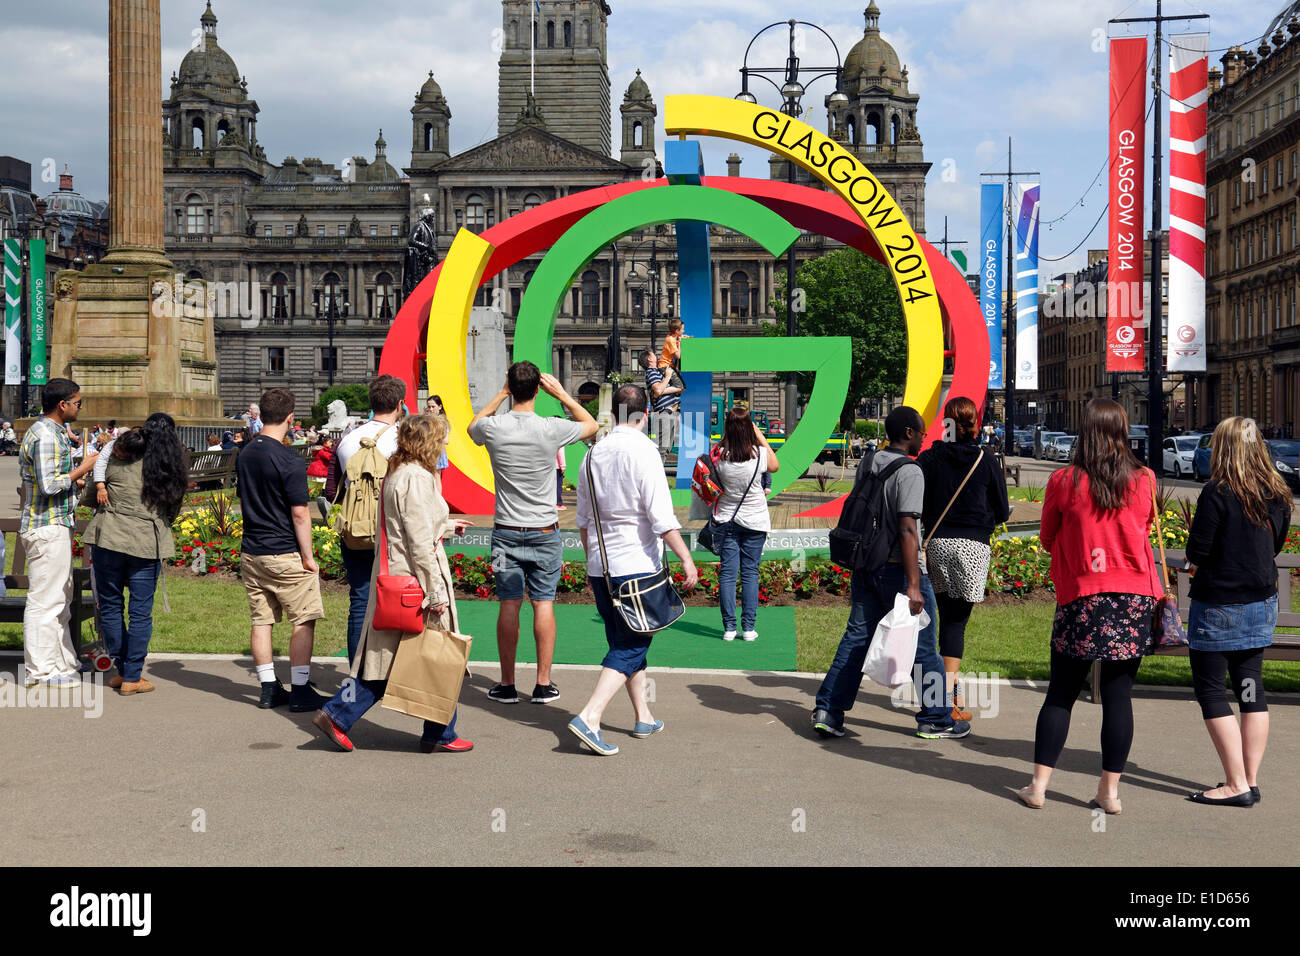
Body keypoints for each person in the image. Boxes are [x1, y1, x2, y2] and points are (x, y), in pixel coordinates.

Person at [1016, 398, 1164, 813]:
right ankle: (1109, 793)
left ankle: (1039, 787)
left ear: (1085, 432)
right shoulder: (1145, 479)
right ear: (1122, 431)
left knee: (1061, 692)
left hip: (1082, 595)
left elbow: (1047, 536)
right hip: (1133, 597)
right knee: (1119, 695)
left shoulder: (1065, 480)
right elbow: (1144, 527)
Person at [313, 413, 474, 754]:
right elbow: (416, 541)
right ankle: (341, 715)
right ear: (427, 442)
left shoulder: (399, 472)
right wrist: (434, 592)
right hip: (414, 584)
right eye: (442, 437)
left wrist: (446, 526)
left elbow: (406, 527)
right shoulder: (416, 477)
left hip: (399, 580)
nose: (446, 443)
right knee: (430, 657)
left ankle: (438, 731)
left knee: (399, 659)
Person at [811, 406, 967, 740]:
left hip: (866, 565)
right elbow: (908, 529)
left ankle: (828, 710)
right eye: (922, 432)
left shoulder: (869, 461)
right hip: (900, 571)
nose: (925, 438)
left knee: (856, 639)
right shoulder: (910, 471)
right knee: (923, 648)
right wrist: (914, 585)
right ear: (909, 433)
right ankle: (937, 718)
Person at [569, 385, 698, 755]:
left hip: (601, 566)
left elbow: (582, 519)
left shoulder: (591, 454)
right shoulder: (644, 451)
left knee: (625, 642)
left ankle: (643, 715)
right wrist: (686, 557)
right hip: (637, 566)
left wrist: (593, 553)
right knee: (632, 643)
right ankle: (590, 717)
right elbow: (661, 517)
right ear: (644, 417)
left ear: (613, 415)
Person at [468, 361, 598, 704]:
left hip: (505, 532)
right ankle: (542, 683)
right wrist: (563, 394)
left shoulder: (494, 427)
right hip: (544, 530)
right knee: (543, 604)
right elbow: (591, 425)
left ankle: (507, 683)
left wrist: (500, 393)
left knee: (508, 605)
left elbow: (472, 427)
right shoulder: (551, 427)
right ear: (539, 390)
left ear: (511, 387)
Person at [1183, 417, 1290, 807]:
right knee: (1250, 689)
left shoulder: (1218, 493)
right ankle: (1250, 778)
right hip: (1261, 604)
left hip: (1219, 607)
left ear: (1223, 448)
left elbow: (1198, 551)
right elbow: (1276, 545)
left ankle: (1235, 783)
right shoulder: (1277, 492)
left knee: (1212, 691)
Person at [918, 396, 1011, 721]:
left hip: (936, 544)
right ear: (975, 424)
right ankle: (948, 700)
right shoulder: (985, 460)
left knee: (937, 622)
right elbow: (1001, 511)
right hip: (972, 547)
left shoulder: (930, 459)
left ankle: (940, 695)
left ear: (946, 424)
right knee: (956, 624)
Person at [236, 388, 329, 712]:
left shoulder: (246, 452)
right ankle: (301, 688)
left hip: (252, 550)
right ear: (291, 418)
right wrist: (308, 557)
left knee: (262, 620)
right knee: (303, 619)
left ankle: (268, 686)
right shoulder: (288, 458)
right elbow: (300, 513)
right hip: (285, 550)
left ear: (259, 414)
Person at [81, 415, 186, 695]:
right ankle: (132, 675)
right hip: (145, 543)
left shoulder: (118, 456)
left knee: (112, 607)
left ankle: (122, 669)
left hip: (108, 538)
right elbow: (173, 509)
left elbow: (91, 494)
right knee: (140, 613)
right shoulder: (169, 466)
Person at [18, 378, 99, 686]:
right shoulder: (46, 436)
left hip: (55, 523)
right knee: (46, 601)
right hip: (46, 525)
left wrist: (74, 479)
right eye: (78, 402)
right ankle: (40, 670)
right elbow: (50, 485)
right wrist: (84, 467)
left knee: (60, 598)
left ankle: (63, 662)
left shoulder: (52, 432)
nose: (80, 407)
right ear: (63, 404)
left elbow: (49, 479)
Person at [323, 375, 404, 662]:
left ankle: (357, 670)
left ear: (371, 405)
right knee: (400, 599)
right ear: (399, 405)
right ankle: (389, 668)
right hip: (394, 532)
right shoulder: (404, 439)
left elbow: (332, 490)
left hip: (355, 530)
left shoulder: (346, 440)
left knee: (359, 601)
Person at [712, 407, 778, 642]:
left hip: (727, 519)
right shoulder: (758, 454)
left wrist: (727, 436)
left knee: (728, 574)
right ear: (749, 426)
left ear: (727, 428)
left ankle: (729, 628)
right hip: (755, 520)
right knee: (751, 573)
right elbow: (775, 465)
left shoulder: (719, 455)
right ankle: (748, 629)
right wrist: (759, 435)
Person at [641, 349, 683, 464]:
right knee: (662, 450)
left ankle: (657, 477)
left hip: (670, 414)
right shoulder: (651, 371)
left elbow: (660, 390)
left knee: (665, 449)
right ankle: (655, 478)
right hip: (665, 414)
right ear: (650, 359)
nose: (656, 355)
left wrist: (677, 388)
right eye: (654, 354)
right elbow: (658, 389)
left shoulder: (657, 371)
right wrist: (668, 377)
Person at [657, 318, 689, 390]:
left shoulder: (674, 337)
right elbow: (677, 356)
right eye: (682, 329)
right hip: (665, 367)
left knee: (680, 387)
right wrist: (680, 343)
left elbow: (681, 337)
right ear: (677, 331)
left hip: (669, 366)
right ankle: (658, 391)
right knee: (681, 387)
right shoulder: (670, 340)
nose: (684, 331)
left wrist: (685, 338)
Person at [555, 446, 567, 511]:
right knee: (558, 486)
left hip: (548, 466)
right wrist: (563, 466)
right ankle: (558, 504)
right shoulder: (560, 440)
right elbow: (561, 453)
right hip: (557, 467)